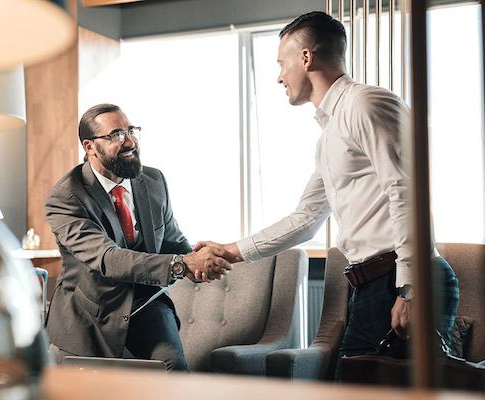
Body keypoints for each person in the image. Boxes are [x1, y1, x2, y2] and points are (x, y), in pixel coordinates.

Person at [195, 11, 458, 377]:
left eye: (281, 63)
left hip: (400, 282)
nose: (278, 76)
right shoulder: (329, 135)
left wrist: (409, 288)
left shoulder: (366, 104)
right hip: (372, 286)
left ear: (306, 57)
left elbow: (406, 191)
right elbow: (305, 219)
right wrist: (230, 251)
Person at [45, 103, 232, 372]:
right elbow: (107, 259)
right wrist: (181, 264)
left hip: (148, 305)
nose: (130, 141)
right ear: (89, 147)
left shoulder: (154, 181)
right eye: (116, 135)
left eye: (132, 131)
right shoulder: (66, 196)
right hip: (90, 315)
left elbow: (170, 240)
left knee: (174, 370)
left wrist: (198, 258)